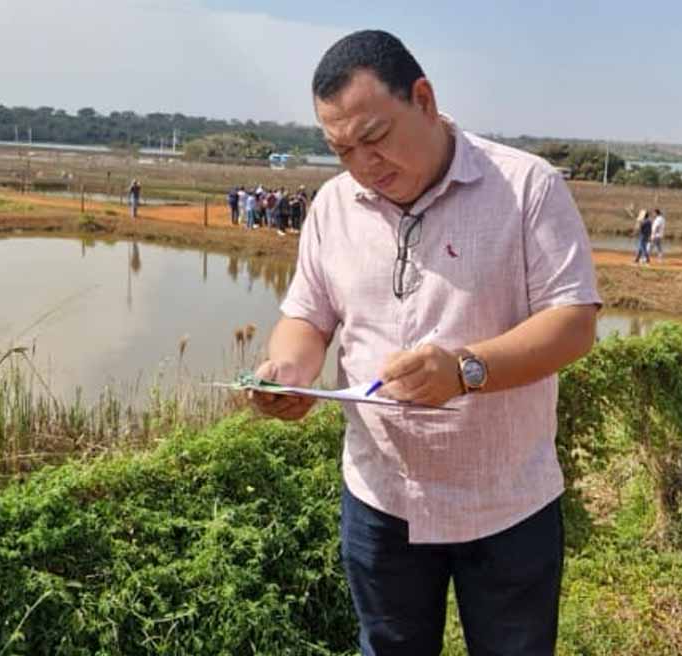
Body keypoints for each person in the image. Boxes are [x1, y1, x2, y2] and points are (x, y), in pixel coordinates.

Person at [248, 29, 600, 655]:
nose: (364, 164)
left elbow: (572, 322)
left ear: (425, 99)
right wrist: (289, 370)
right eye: (341, 149)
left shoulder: (526, 188)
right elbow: (308, 315)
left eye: (376, 137)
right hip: (381, 498)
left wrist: (467, 368)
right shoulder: (333, 206)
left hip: (506, 500)